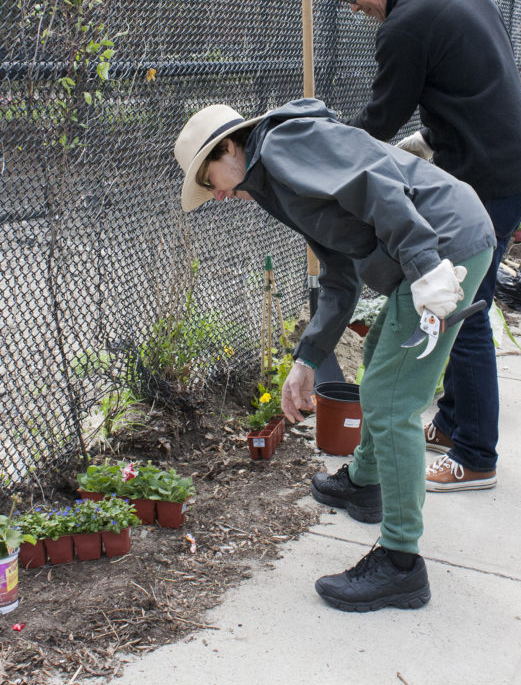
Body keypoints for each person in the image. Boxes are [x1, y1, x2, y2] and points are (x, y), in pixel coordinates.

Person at [174, 97, 494, 612]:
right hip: (433, 244)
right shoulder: (275, 183)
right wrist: (307, 357)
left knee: (392, 402)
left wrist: (424, 262)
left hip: (442, 244)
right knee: (377, 352)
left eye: (210, 181)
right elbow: (340, 275)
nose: (217, 196)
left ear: (229, 148)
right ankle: (365, 484)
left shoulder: (282, 144)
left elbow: (372, 181)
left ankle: (400, 564)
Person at [322, 0, 521, 492]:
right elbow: (469, 88)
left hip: (486, 180)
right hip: (513, 167)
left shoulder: (406, 23)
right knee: (466, 299)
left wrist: (324, 158)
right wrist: (433, 138)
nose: (355, 7)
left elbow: (377, 122)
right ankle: (450, 424)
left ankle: (475, 455)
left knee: (456, 308)